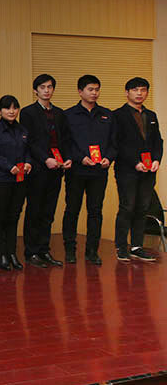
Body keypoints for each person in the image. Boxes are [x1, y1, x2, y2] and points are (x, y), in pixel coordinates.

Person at [62, 75, 117, 265]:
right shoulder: (68, 115)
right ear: (80, 92)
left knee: (95, 211)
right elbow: (65, 143)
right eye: (90, 89)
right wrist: (80, 157)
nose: (94, 93)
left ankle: (92, 251)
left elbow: (114, 142)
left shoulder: (107, 114)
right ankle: (70, 250)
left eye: (97, 89)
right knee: (72, 210)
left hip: (99, 171)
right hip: (76, 170)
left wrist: (109, 157)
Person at [19, 74, 72, 268]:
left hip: (57, 169)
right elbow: (29, 141)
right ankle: (31, 251)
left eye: (50, 87)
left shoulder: (60, 113)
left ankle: (44, 249)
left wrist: (67, 158)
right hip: (38, 169)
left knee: (49, 212)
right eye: (42, 87)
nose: (46, 90)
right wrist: (45, 159)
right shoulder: (28, 112)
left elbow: (65, 139)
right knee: (34, 210)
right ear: (36, 90)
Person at [113, 77, 162, 262]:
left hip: (149, 170)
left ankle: (136, 246)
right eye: (135, 90)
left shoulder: (151, 115)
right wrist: (135, 162)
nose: (139, 93)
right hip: (127, 169)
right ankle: (121, 246)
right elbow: (117, 143)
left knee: (142, 208)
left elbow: (158, 141)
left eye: (143, 90)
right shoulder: (117, 115)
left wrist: (156, 160)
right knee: (127, 207)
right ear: (127, 93)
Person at [0, 95, 31, 271]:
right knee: (0, 216)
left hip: (20, 181)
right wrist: (8, 166)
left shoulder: (23, 130)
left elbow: (28, 151)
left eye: (14, 108)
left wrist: (28, 163)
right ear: (0, 111)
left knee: (14, 216)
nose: (11, 111)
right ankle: (1, 254)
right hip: (1, 180)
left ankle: (12, 253)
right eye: (7, 108)